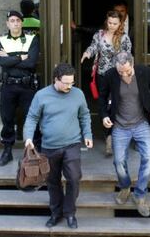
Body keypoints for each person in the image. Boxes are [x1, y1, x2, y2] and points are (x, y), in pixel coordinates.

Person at [24, 63, 93, 229]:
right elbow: (32, 117)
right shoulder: (41, 95)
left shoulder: (78, 94)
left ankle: (70, 213)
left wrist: (88, 134)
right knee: (52, 181)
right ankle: (56, 213)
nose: (69, 86)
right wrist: (28, 137)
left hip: (72, 144)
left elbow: (84, 115)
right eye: (66, 83)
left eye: (72, 83)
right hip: (49, 146)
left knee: (74, 178)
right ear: (56, 79)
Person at [98, 52, 150, 217]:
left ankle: (140, 194)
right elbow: (102, 97)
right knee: (119, 161)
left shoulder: (144, 72)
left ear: (132, 65)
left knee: (148, 157)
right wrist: (104, 115)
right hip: (119, 125)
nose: (124, 75)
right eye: (120, 72)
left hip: (141, 124)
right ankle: (125, 187)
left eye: (127, 71)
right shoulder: (110, 75)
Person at [81, 10, 132, 156]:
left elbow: (128, 57)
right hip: (102, 75)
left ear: (120, 24)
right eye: (109, 23)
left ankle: (116, 135)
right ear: (106, 21)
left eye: (115, 23)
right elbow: (93, 47)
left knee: (117, 103)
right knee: (103, 103)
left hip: (118, 75)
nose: (112, 26)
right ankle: (108, 136)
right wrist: (87, 54)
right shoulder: (99, 35)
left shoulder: (124, 38)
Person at [0, 10, 40, 166]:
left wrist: (10, 58)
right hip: (8, 86)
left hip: (27, 85)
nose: (15, 23)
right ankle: (7, 151)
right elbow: (1, 62)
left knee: (31, 118)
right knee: (7, 119)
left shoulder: (31, 39)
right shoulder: (0, 39)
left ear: (22, 23)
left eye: (17, 20)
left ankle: (32, 152)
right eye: (12, 20)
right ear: (7, 23)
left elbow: (31, 63)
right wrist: (21, 57)